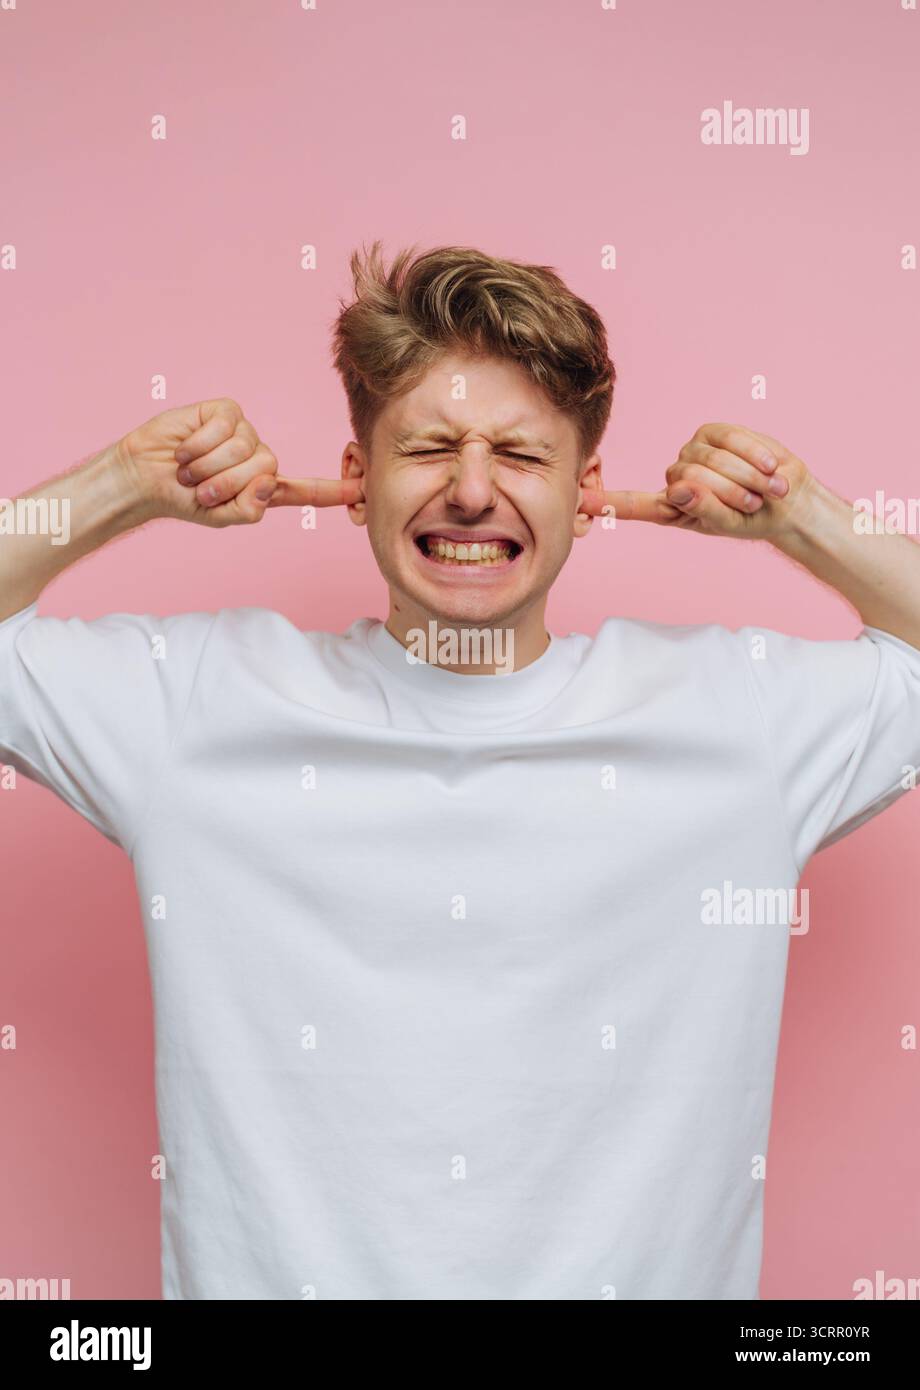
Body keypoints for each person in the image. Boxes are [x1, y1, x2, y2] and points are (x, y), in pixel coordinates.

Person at [2, 242, 919, 1301]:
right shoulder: (195, 704)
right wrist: (123, 484)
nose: (472, 492)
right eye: (429, 447)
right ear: (354, 482)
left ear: (588, 496)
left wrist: (799, 515)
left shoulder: (738, 720)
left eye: (521, 458)